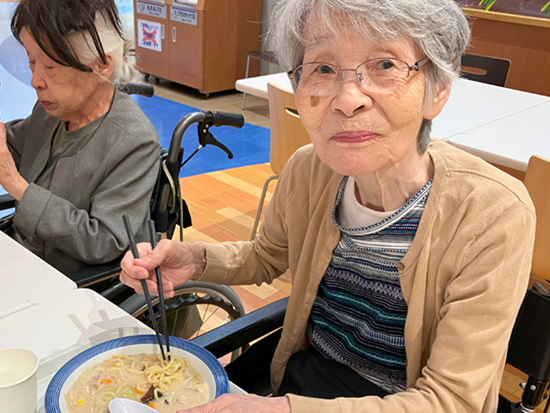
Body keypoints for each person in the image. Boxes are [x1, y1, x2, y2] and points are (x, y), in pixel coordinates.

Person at [120, 0, 536, 411]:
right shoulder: (308, 170)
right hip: (308, 376)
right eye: (322, 68)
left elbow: (450, 401)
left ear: (438, 90)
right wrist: (194, 259)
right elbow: (268, 255)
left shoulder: (492, 213)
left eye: (385, 65)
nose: (347, 98)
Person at [0, 0, 159, 274]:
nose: (35, 80)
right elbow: (15, 143)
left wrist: (16, 185)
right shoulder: (52, 111)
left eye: (50, 67)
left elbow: (103, 241)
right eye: (31, 62)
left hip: (71, 283)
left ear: (101, 65)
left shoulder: (134, 142)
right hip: (24, 259)